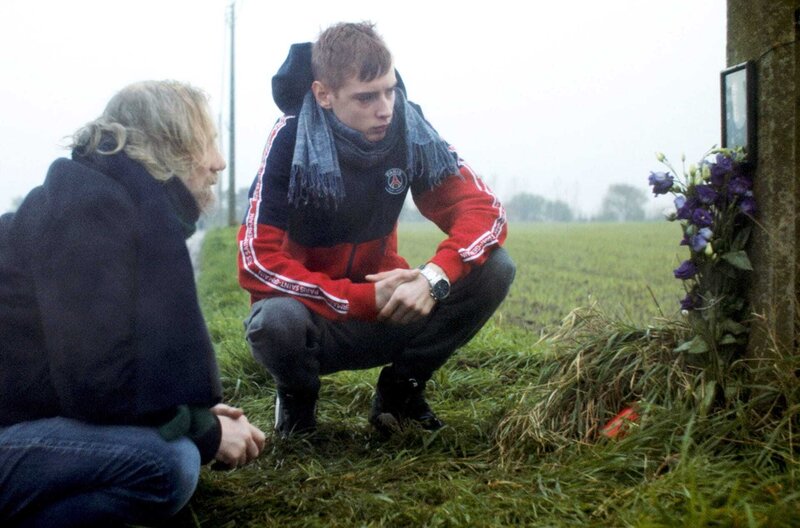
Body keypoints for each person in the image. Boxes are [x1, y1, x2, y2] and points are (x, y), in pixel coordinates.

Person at [0, 80, 266, 527]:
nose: (218, 163)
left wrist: (183, 413)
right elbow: (95, 385)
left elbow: (97, 370)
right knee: (168, 465)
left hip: (20, 419)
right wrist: (203, 430)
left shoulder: (103, 204)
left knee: (168, 452)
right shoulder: (89, 216)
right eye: (206, 143)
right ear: (168, 148)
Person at [239, 22, 515, 437]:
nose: (384, 108)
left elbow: (482, 210)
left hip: (390, 311)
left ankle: (400, 392)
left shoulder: (408, 129)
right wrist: (361, 297)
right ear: (323, 95)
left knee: (496, 268)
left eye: (390, 90)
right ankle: (297, 399)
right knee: (273, 321)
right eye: (366, 97)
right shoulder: (290, 138)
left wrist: (431, 278)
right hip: (317, 320)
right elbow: (257, 262)